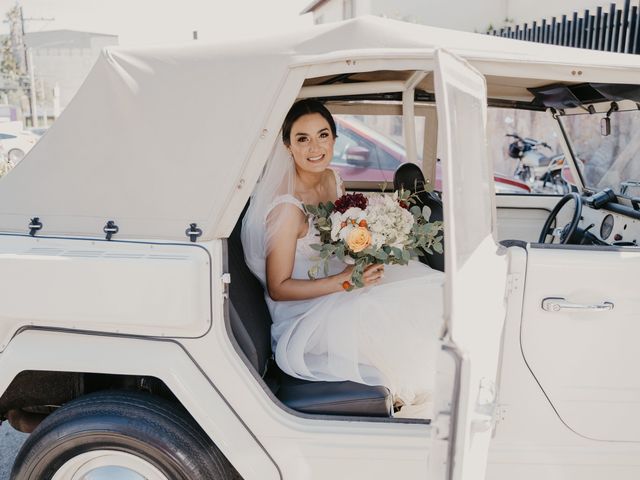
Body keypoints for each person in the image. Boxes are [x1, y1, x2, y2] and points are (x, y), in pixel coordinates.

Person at [241, 99, 444, 419]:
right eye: (302, 139)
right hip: (304, 311)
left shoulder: (332, 180)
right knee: (391, 310)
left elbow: (341, 238)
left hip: (339, 278)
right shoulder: (285, 208)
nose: (314, 147)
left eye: (322, 135)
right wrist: (342, 281)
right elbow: (278, 288)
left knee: (429, 286)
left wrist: (374, 243)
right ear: (287, 145)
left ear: (334, 138)